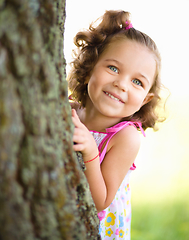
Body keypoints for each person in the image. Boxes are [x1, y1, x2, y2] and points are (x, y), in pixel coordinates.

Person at [68, 10, 164, 240]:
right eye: (113, 68)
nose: (121, 84)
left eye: (137, 82)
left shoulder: (125, 137)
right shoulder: (70, 113)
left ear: (145, 100)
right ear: (90, 65)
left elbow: (100, 201)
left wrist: (91, 150)